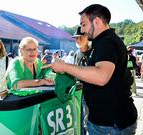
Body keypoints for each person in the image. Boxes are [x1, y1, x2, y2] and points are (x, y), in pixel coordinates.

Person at [43, 4, 137, 135]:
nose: (82, 30)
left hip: (110, 124)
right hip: (110, 121)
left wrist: (64, 67)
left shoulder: (106, 42)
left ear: (96, 21)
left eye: (83, 24)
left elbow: (101, 77)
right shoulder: (104, 42)